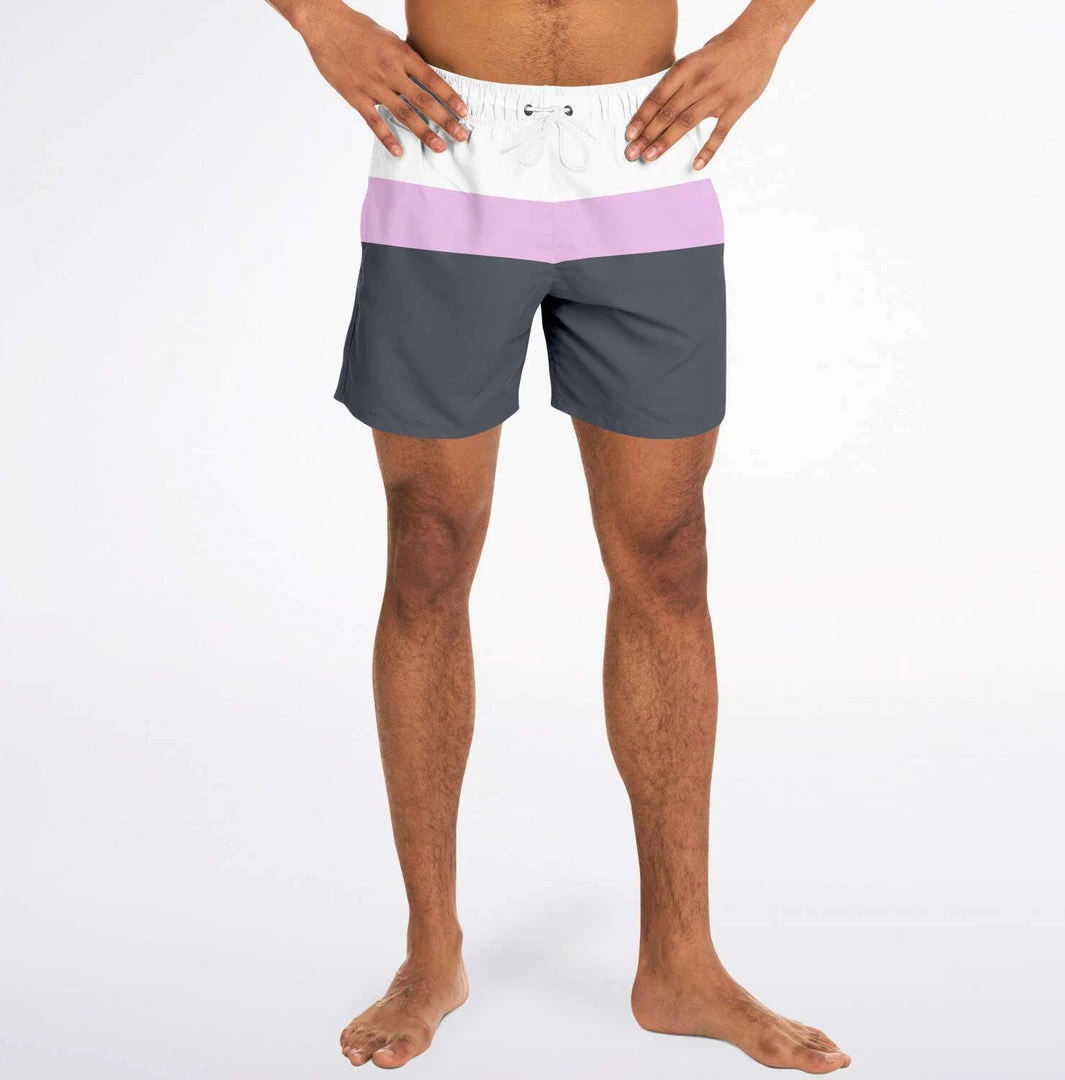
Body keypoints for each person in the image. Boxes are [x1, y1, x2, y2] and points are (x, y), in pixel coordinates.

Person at [267, 0, 850, 1071]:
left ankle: (680, 962)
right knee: (429, 549)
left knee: (667, 555)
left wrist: (765, 30)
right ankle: (431, 952)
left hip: (643, 146)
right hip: (445, 144)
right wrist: (316, 19)